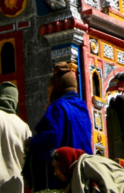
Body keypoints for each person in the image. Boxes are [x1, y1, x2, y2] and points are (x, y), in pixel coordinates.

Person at [24, 62, 93, 191]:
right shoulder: (82, 107)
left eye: (49, 88)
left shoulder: (59, 107)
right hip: (83, 172)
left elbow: (51, 137)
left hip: (63, 177)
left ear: (57, 88)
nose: (48, 92)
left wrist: (32, 143)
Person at [52, 147, 124, 193]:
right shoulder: (86, 164)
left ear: (63, 164)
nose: (54, 173)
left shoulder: (87, 164)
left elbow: (110, 187)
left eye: (55, 167)